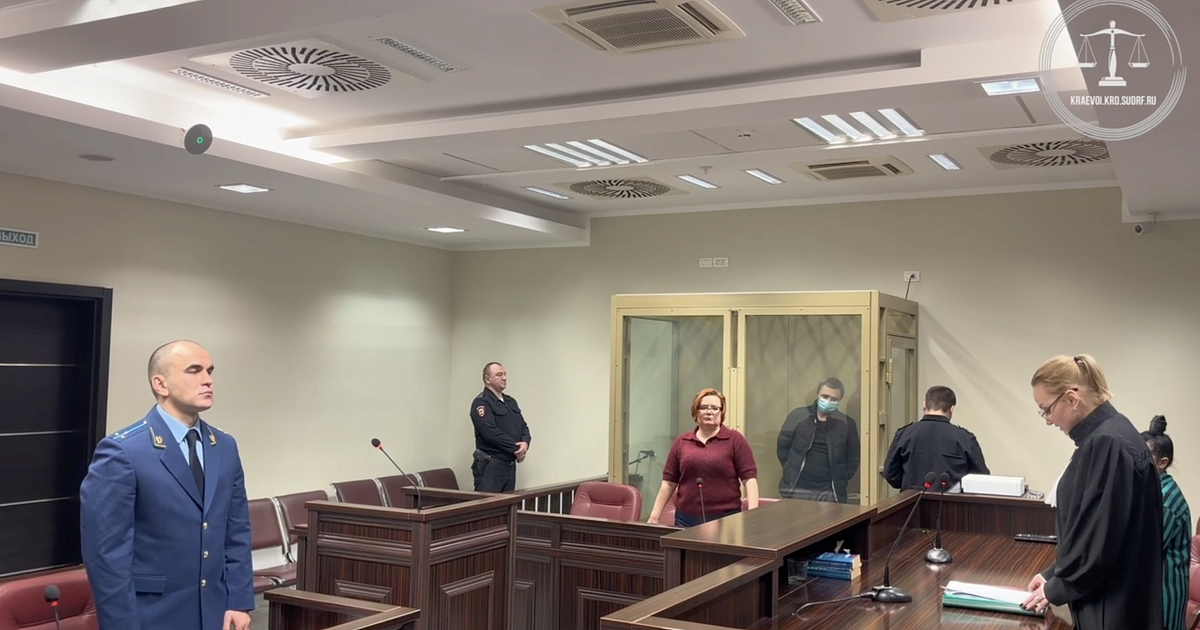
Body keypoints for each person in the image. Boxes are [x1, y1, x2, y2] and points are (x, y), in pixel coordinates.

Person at [80, 340, 253, 630]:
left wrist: (238, 600)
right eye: (194, 371)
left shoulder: (224, 446)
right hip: (153, 615)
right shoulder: (124, 451)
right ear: (160, 384)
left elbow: (236, 531)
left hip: (215, 611)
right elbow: (107, 556)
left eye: (210, 371)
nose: (208, 380)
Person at [1022, 354, 1162, 630]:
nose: (1048, 420)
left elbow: (1099, 539)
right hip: (1121, 596)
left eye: (1046, 409)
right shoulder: (1115, 431)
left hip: (1112, 604)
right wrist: (1053, 574)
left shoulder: (1107, 444)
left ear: (1072, 399)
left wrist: (1056, 587)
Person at [648, 388, 758, 527]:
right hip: (686, 519)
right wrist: (654, 516)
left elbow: (749, 479)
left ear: (722, 412)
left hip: (726, 520)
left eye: (715, 408)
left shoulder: (735, 440)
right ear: (696, 412)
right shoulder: (682, 441)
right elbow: (669, 482)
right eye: (703, 407)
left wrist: (752, 515)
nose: (709, 412)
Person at [883, 385, 989, 490]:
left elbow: (891, 475)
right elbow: (981, 479)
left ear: (924, 405)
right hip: (952, 500)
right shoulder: (965, 439)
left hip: (912, 500)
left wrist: (910, 482)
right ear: (952, 409)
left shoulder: (904, 434)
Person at [1141, 415, 1191, 630]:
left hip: (1164, 601)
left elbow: (1145, 550)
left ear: (1163, 463)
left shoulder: (1165, 500)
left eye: (1144, 456)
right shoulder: (1152, 489)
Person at [777, 377, 860, 503]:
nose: (828, 401)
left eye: (834, 399)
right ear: (817, 394)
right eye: (825, 396)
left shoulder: (847, 423)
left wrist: (840, 478)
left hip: (830, 492)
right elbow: (783, 447)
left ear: (840, 400)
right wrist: (790, 470)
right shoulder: (798, 416)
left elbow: (853, 459)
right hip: (798, 489)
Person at [470, 362, 531, 492]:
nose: (504, 378)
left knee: (508, 504)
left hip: (509, 465)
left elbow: (523, 427)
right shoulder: (481, 403)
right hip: (491, 466)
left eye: (504, 374)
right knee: (488, 504)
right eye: (499, 375)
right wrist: (517, 449)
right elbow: (490, 433)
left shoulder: (510, 401)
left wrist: (525, 444)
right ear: (487, 379)